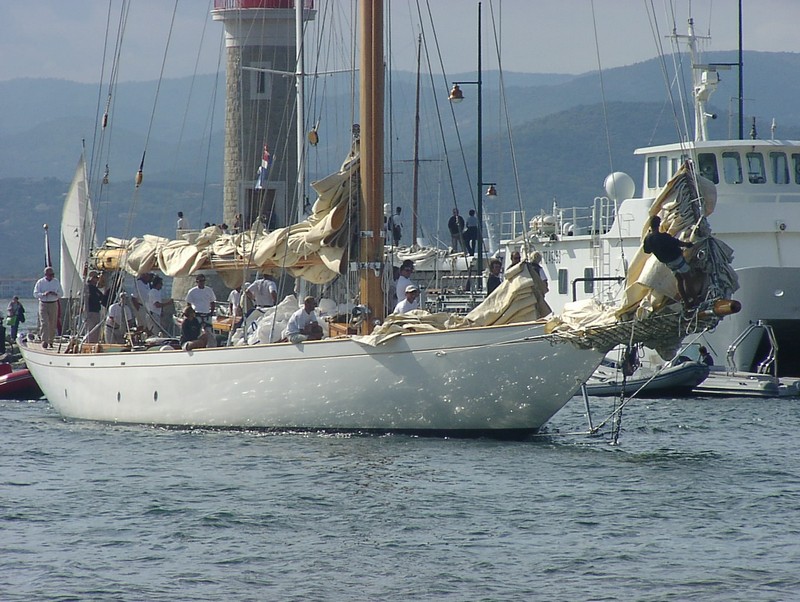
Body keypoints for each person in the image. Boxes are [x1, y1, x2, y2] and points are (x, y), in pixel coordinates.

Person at [642, 215, 694, 305]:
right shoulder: (663, 236)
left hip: (668, 263)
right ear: (658, 224)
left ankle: (686, 302)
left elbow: (647, 251)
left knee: (679, 280)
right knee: (687, 278)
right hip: (676, 259)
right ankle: (695, 299)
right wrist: (688, 244)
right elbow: (677, 243)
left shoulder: (648, 239)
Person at [33, 266, 63, 348]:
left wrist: (55, 294)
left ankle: (51, 340)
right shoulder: (40, 282)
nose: (52, 276)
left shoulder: (56, 282)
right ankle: (44, 340)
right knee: (44, 323)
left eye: (52, 274)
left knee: (52, 323)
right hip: (43, 303)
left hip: (53, 303)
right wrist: (43, 294)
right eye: (50, 274)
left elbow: (61, 293)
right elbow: (35, 294)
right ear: (46, 274)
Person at [84, 270, 108, 343]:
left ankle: (93, 343)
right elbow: (93, 299)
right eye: (95, 278)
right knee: (92, 330)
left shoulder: (95, 289)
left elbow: (102, 298)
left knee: (96, 330)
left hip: (96, 311)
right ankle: (89, 343)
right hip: (91, 312)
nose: (97, 279)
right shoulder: (89, 288)